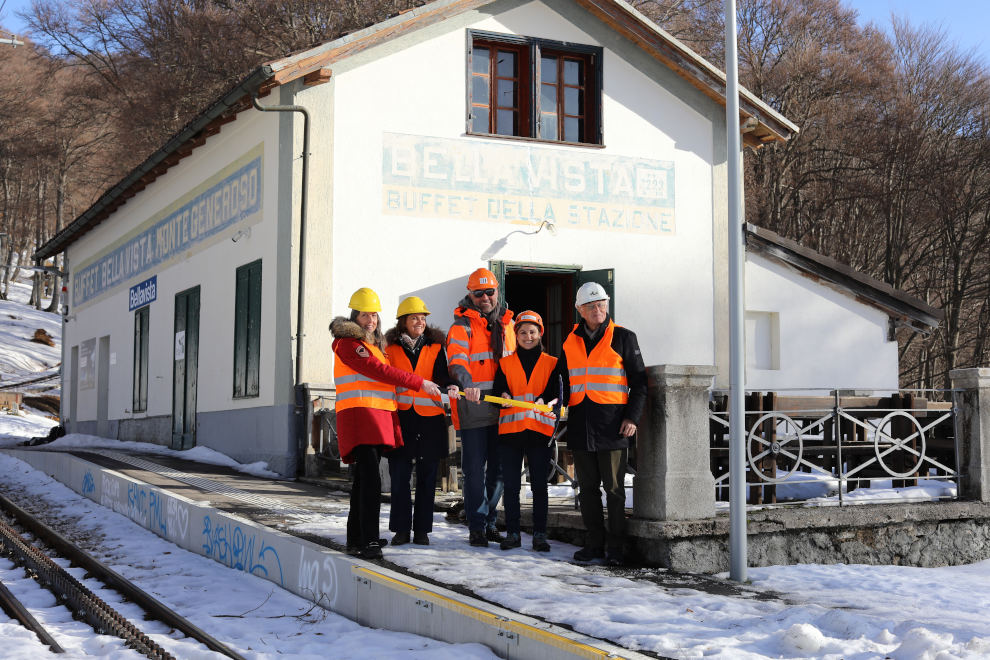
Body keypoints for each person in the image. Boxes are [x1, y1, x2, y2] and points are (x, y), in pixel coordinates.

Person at [330, 287, 441, 560]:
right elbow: (379, 372)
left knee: (362, 482)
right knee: (370, 482)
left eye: (375, 316)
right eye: (366, 315)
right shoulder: (349, 343)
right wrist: (419, 382)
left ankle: (356, 536)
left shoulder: (369, 345)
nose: (371, 320)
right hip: (361, 418)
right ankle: (368, 541)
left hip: (374, 419)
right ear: (354, 315)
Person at [558, 282, 646, 566]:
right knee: (587, 489)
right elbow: (560, 381)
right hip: (581, 423)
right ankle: (594, 544)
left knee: (615, 490)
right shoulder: (570, 341)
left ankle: (616, 549)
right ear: (580, 310)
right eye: (591, 306)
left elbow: (640, 382)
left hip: (613, 424)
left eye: (601, 305)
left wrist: (632, 417)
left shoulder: (624, 337)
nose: (598, 310)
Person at [446, 267, 515, 547]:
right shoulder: (460, 326)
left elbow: (518, 361)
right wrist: (466, 384)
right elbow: (457, 360)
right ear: (470, 294)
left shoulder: (510, 324)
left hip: (504, 408)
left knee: (499, 470)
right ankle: (476, 524)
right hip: (474, 406)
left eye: (490, 292)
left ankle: (488, 522)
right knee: (474, 470)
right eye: (479, 293)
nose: (485, 297)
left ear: (497, 291)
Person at [384, 296, 454, 547]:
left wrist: (451, 385)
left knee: (428, 477)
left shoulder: (436, 347)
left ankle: (422, 530)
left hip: (430, 420)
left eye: (423, 318)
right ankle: (401, 529)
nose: (420, 322)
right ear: (403, 322)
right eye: (414, 318)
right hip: (401, 418)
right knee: (400, 476)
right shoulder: (389, 349)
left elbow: (442, 376)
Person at [493, 310, 557, 552]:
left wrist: (547, 399)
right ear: (515, 335)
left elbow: (559, 392)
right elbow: (497, 391)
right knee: (511, 486)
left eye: (532, 332)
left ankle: (540, 535)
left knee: (540, 486)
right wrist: (502, 396)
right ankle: (512, 534)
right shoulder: (505, 363)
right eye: (522, 332)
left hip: (540, 433)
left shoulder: (553, 363)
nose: (527, 336)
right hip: (511, 433)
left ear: (540, 334)